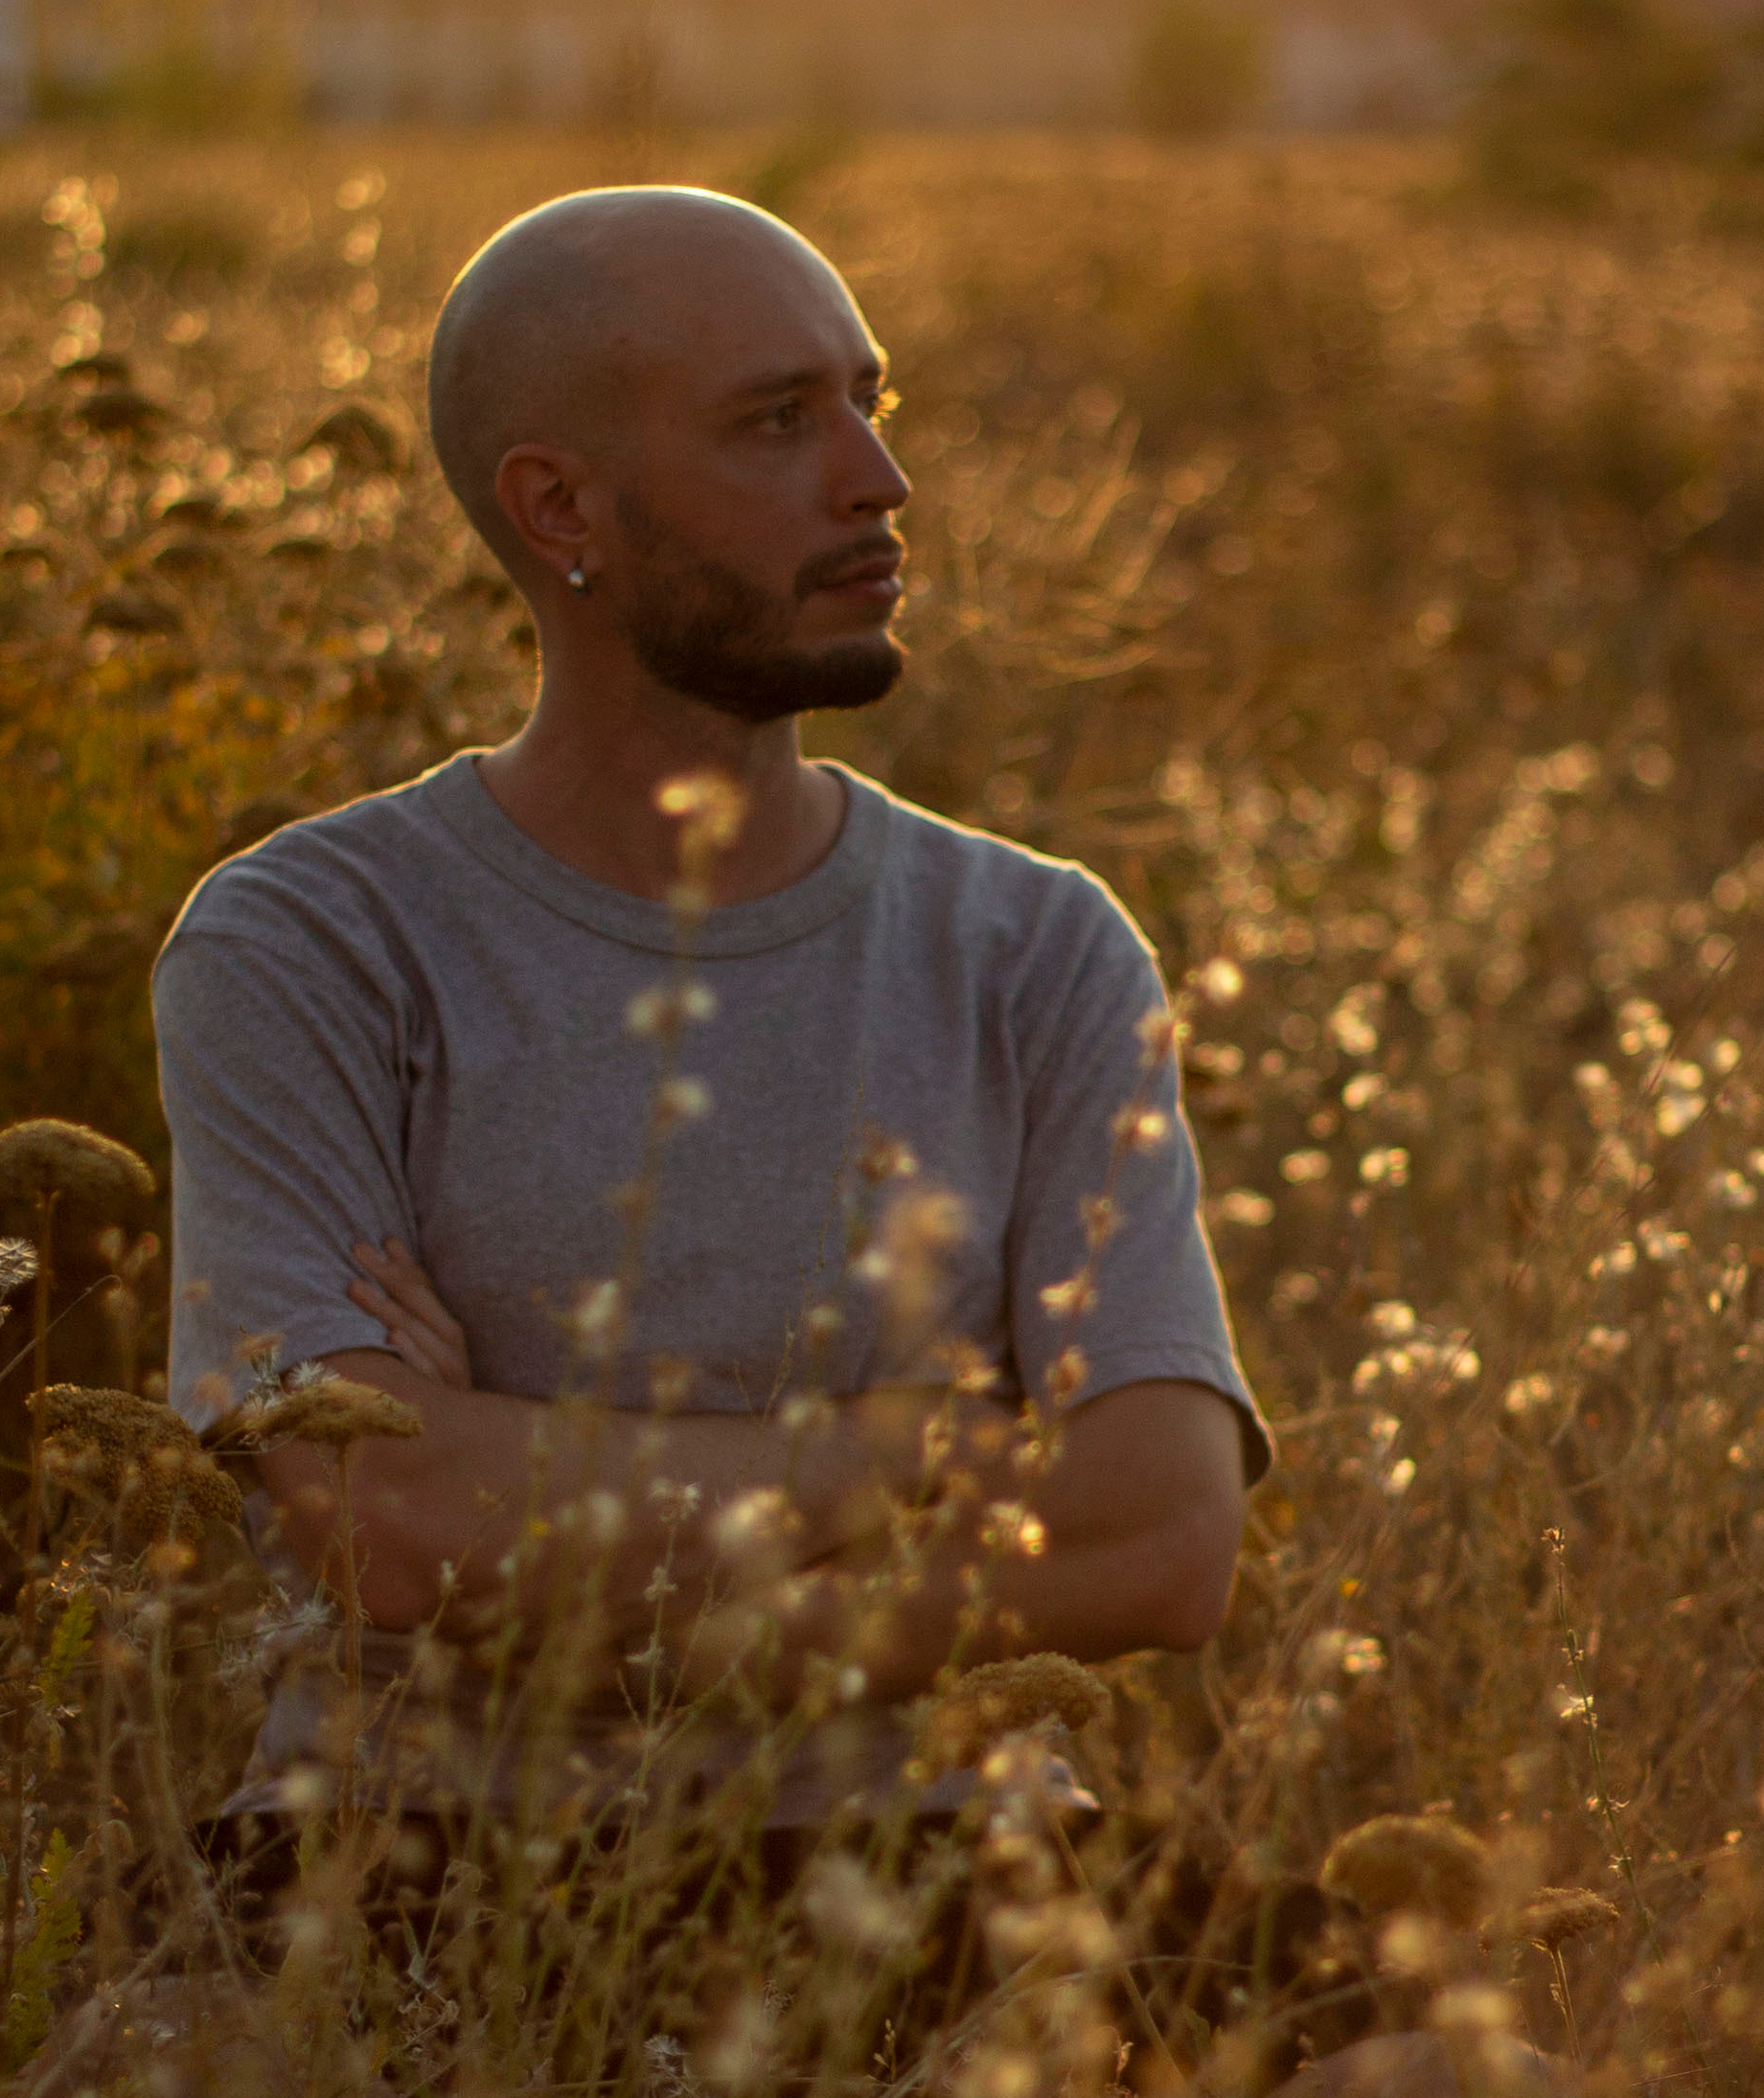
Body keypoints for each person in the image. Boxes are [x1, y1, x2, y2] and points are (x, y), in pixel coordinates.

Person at [150, 186, 1266, 1837]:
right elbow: (390, 1518)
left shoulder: (1035, 944)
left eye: (868, 406)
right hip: (413, 1861)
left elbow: (1161, 1544)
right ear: (560, 508)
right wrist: (895, 1452)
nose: (877, 483)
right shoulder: (313, 940)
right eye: (774, 423)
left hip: (956, 1860)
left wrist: (638, 1590)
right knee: (181, 2090)